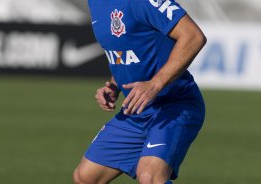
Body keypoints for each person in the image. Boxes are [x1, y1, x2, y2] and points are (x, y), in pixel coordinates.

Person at [74, 0, 207, 183]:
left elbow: (193, 36)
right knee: (86, 177)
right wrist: (115, 85)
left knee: (149, 177)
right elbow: (124, 51)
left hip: (174, 105)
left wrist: (155, 83)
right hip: (135, 110)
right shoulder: (95, 3)